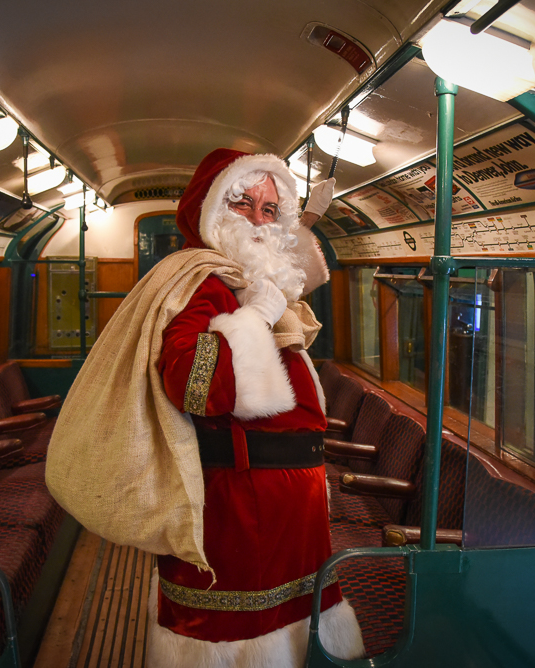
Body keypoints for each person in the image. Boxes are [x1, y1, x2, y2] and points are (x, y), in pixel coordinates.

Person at [45, 148, 363, 668]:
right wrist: (256, 318)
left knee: (293, 624)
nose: (258, 220)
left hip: (285, 502)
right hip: (240, 502)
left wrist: (279, 275)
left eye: (269, 209)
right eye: (243, 204)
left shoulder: (247, 278)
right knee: (239, 637)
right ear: (212, 211)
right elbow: (194, 384)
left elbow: (292, 277)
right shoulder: (200, 280)